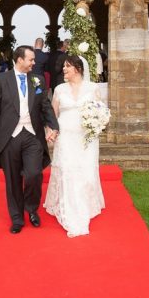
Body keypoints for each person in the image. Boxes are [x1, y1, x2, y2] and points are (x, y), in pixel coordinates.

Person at [0, 45, 59, 234]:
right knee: (13, 180)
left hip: (33, 135)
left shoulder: (38, 80)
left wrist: (54, 126)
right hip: (9, 137)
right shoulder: (2, 80)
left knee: (34, 174)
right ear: (20, 60)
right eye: (31, 59)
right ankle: (17, 218)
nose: (34, 63)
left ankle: (31, 209)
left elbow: (45, 107)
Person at [44, 54, 106, 238]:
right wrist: (51, 131)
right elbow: (52, 115)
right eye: (64, 67)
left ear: (77, 69)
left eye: (67, 66)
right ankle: (69, 205)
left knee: (85, 171)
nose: (64, 69)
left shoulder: (93, 88)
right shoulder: (59, 90)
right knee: (68, 170)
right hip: (66, 137)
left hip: (86, 138)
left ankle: (86, 202)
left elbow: (100, 111)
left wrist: (97, 124)